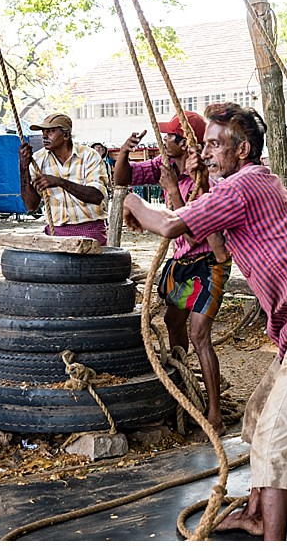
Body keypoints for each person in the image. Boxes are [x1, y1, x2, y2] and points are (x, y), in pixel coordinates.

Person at [122, 103, 287, 540]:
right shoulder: (251, 182)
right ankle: (254, 512)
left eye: (213, 144)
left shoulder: (243, 184)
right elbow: (204, 240)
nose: (205, 152)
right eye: (204, 144)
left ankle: (272, 537)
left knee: (274, 436)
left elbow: (172, 226)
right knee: (258, 415)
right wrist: (175, 197)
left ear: (242, 148)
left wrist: (134, 200)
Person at [114, 111, 230, 434]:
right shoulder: (164, 166)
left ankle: (215, 414)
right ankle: (182, 387)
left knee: (199, 334)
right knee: (172, 322)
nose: (164, 141)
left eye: (169, 137)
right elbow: (121, 180)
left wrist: (173, 191)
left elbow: (196, 234)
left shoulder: (204, 177)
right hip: (182, 260)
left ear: (184, 142)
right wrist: (124, 153)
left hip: (209, 262)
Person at [19, 113, 109, 244]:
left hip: (90, 229)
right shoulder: (38, 160)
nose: (44, 136)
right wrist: (23, 168)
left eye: (50, 132)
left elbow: (96, 196)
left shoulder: (89, 156)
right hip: (56, 231)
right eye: (43, 131)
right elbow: (31, 206)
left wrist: (59, 182)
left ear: (66, 135)